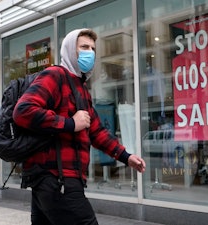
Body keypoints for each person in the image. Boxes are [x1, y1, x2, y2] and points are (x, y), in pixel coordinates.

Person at [13, 28, 146, 225]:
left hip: (56, 179)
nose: (90, 52)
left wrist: (126, 157)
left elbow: (96, 131)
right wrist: (69, 123)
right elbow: (23, 111)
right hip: (57, 178)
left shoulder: (81, 88)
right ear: (69, 50)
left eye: (92, 48)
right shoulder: (55, 75)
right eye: (84, 47)